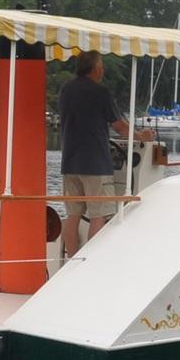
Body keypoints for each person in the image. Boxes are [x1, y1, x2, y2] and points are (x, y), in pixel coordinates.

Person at [58, 50, 155, 257]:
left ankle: (73, 259)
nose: (103, 69)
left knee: (72, 214)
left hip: (69, 161)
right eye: (101, 64)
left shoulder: (66, 89)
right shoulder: (100, 92)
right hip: (94, 163)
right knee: (98, 215)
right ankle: (92, 262)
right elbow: (119, 126)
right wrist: (141, 136)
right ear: (95, 68)